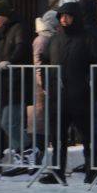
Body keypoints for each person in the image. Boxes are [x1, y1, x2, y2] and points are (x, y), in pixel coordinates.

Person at [40, 1, 97, 184]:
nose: (64, 20)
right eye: (62, 16)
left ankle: (92, 169)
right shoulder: (55, 39)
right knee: (58, 137)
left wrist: (91, 85)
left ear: (76, 17)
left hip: (82, 95)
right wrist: (47, 84)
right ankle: (57, 171)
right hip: (59, 96)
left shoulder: (88, 38)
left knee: (87, 136)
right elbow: (45, 61)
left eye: (68, 16)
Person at [0, 0, 34, 176]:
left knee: (9, 122)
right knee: (8, 123)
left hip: (18, 83)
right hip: (6, 84)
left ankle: (30, 153)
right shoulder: (2, 32)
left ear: (6, 15)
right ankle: (23, 158)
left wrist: (10, 62)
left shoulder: (19, 28)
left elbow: (22, 48)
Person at [27, 10, 59, 166]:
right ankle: (38, 158)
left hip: (47, 85)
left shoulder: (50, 37)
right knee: (40, 122)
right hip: (43, 88)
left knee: (45, 122)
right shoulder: (42, 39)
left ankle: (43, 158)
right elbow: (38, 65)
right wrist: (44, 85)